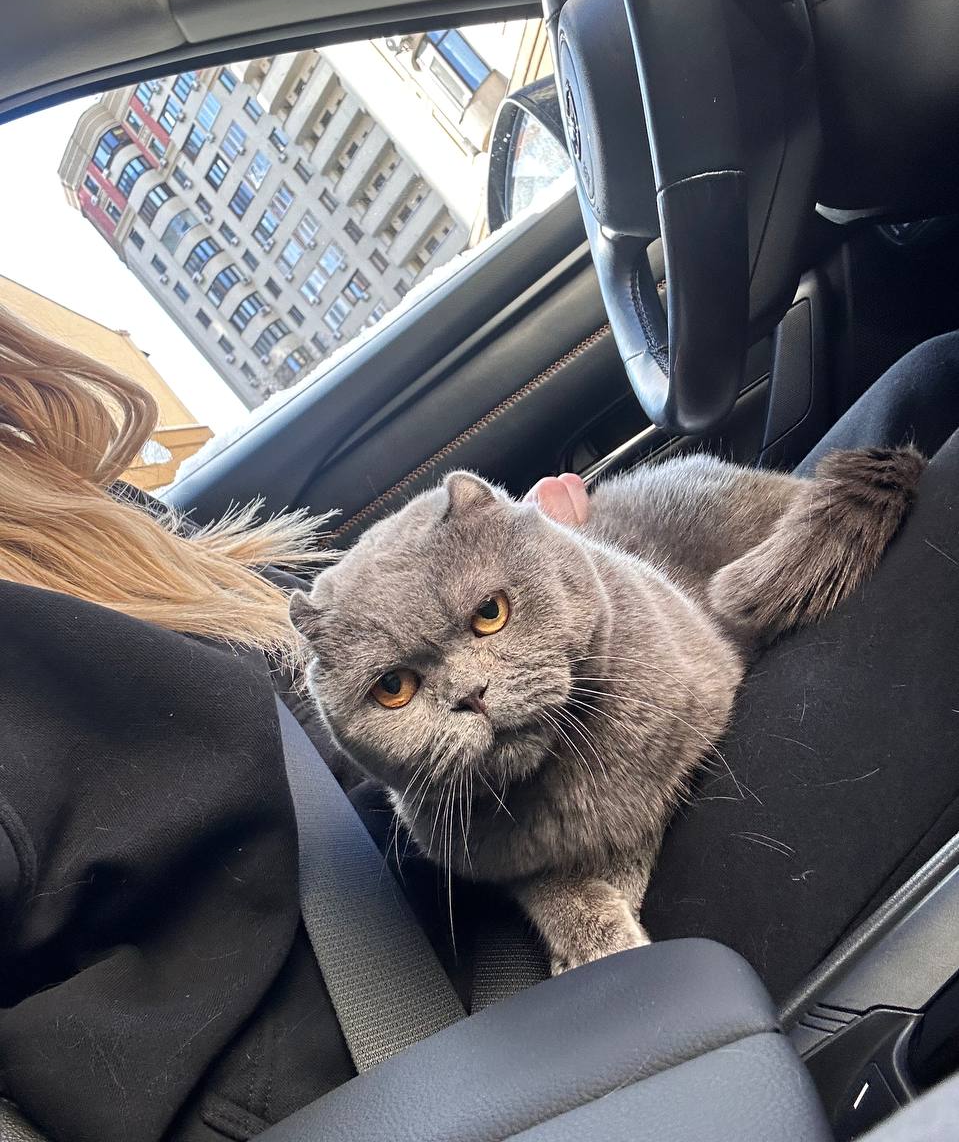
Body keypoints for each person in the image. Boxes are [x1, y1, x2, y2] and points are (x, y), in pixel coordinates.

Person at [0, 302, 957, 1142]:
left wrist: (545, 569)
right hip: (436, 1038)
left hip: (467, 868)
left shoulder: (90, 538)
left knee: (927, 379)